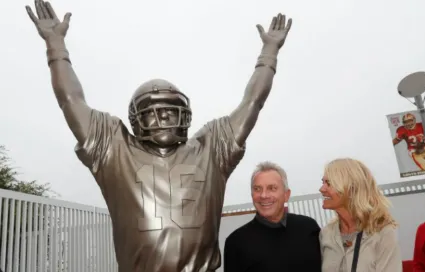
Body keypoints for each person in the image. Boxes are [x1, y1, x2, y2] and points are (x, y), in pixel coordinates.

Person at [25, 1, 293, 271]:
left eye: (170, 110)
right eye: (154, 111)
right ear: (135, 119)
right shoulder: (114, 149)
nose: (164, 117)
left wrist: (269, 53)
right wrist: (56, 47)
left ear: (184, 114)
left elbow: (252, 102)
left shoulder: (210, 148)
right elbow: (70, 100)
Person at [224, 161, 322, 272]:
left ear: (286, 195)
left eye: (272, 188)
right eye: (257, 189)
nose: (264, 195)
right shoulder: (236, 242)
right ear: (252, 195)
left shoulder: (309, 228)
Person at [319, 158, 402, 272]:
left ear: (352, 187)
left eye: (329, 183)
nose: (322, 189)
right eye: (323, 182)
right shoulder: (326, 233)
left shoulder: (382, 232)